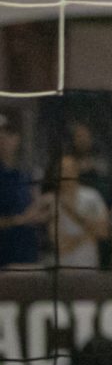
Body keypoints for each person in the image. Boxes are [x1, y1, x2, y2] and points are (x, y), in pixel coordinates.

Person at [45, 151, 108, 269]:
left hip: (90, 268)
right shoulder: (52, 202)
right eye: (63, 170)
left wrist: (83, 231)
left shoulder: (92, 196)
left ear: (76, 170)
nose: (66, 173)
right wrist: (88, 234)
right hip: (64, 270)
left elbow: (103, 232)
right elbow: (61, 246)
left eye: (69, 169)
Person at [0, 114, 40, 269]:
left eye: (7, 135)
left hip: (27, 256)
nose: (3, 141)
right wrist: (20, 219)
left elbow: (35, 208)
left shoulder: (26, 174)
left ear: (16, 139)